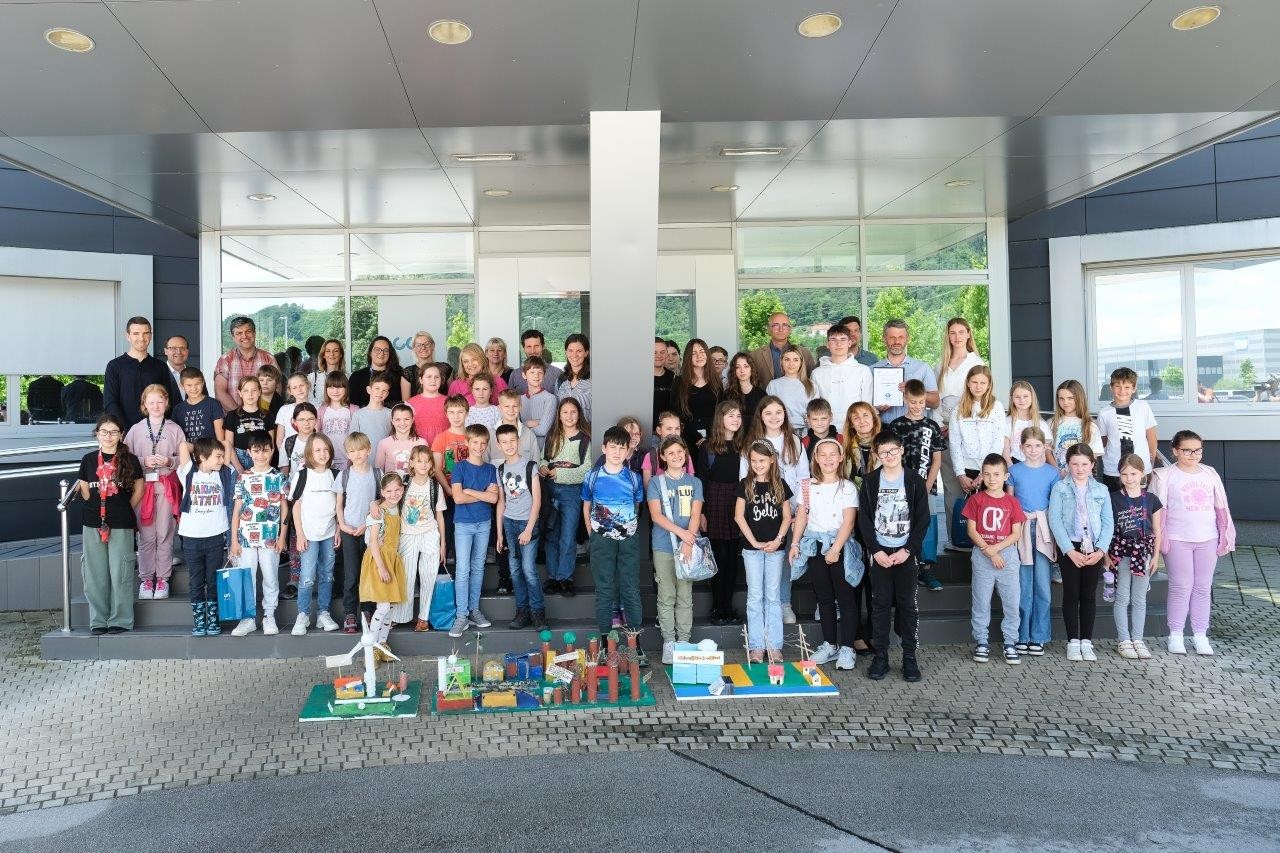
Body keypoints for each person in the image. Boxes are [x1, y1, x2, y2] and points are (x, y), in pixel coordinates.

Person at [1150, 430, 1236, 656]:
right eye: (1187, 450)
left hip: (1208, 538)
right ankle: (1176, 635)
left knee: (1203, 587)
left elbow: (1221, 506)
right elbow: (1155, 511)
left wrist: (1224, 534)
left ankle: (1200, 635)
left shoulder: (1210, 473)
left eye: (1197, 450)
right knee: (1181, 586)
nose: (1193, 455)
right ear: (1175, 451)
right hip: (1177, 538)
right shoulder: (1165, 476)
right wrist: (1158, 541)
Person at [857, 430, 930, 682]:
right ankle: (881, 657)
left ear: (901, 451)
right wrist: (875, 550)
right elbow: (864, 520)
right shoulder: (869, 481)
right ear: (876, 455)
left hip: (905, 553)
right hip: (880, 554)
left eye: (893, 451)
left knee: (907, 605)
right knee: (879, 605)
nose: (888, 456)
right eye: (883, 452)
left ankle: (910, 657)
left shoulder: (914, 481)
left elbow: (923, 519)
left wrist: (908, 549)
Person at [789, 437, 860, 671]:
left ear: (840, 458)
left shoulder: (847, 487)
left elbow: (849, 521)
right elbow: (802, 515)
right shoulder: (807, 486)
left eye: (833, 454)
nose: (828, 459)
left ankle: (848, 647)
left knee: (846, 598)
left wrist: (835, 549)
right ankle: (830, 644)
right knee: (824, 597)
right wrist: (795, 543)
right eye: (823, 455)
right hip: (815, 546)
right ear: (816, 459)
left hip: (840, 547)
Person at [741, 396, 808, 625]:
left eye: (778, 412)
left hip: (790, 511)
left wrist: (801, 510)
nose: (774, 417)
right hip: (760, 513)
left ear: (785, 415)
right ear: (760, 416)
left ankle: (783, 602)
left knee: (784, 559)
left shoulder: (794, 442)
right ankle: (761, 605)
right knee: (759, 560)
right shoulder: (751, 442)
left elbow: (804, 478)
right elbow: (744, 478)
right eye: (768, 413)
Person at [77, 414, 144, 635]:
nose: (108, 436)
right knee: (94, 574)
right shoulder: (88, 459)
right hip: (92, 522)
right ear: (97, 434)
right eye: (104, 431)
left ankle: (121, 620)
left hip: (121, 522)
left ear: (121, 435)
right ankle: (98, 620)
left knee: (121, 573)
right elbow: (85, 489)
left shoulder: (130, 460)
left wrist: (123, 508)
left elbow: (139, 490)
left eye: (114, 432)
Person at [1047, 443, 1114, 662]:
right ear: (1068, 464)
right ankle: (1073, 642)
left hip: (1093, 548)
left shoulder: (1101, 490)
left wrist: (1101, 550)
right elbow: (1055, 519)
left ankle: (1086, 641)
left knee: (1088, 595)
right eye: (1075, 464)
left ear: (1093, 464)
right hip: (1070, 547)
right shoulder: (1060, 488)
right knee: (1071, 593)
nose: (1080, 468)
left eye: (1085, 464)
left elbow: (1108, 522)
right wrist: (1068, 550)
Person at [123, 384, 185, 601]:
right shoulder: (135, 430)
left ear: (166, 403)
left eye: (160, 401)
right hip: (143, 487)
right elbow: (125, 458)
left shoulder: (175, 429)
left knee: (164, 533)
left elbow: (184, 460)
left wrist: (169, 461)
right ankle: (147, 578)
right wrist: (143, 461)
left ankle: (163, 579)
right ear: (144, 404)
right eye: (151, 402)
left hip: (166, 486)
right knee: (146, 535)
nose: (156, 406)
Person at [963, 453, 1026, 665]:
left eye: (997, 474)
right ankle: (982, 641)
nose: (992, 479)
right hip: (982, 556)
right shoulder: (976, 500)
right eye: (987, 474)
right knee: (981, 601)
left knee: (1012, 602)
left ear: (1006, 476)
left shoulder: (1012, 502)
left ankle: (1010, 642)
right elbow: (971, 530)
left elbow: (1016, 534)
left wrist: (995, 550)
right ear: (981, 475)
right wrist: (987, 550)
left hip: (1007, 557)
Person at [735, 440, 793, 664]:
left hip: (775, 550)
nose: (758, 464)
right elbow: (739, 516)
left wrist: (778, 540)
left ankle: (774, 645)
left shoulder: (780, 484)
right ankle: (757, 646)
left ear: (772, 460)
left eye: (762, 460)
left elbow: (787, 517)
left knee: (773, 596)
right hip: (752, 550)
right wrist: (754, 542)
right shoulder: (745, 484)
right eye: (754, 461)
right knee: (755, 596)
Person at [647, 435, 703, 664]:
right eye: (671, 453)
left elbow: (696, 514)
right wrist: (682, 535)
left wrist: (688, 543)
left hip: (687, 546)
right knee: (667, 594)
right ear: (662, 456)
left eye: (680, 452)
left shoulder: (695, 482)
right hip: (663, 546)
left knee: (685, 594)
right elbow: (656, 515)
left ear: (686, 454)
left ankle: (684, 641)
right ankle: (669, 642)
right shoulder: (655, 483)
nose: (676, 456)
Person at [890, 380, 947, 592]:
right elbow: (892, 457)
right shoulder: (896, 426)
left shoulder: (932, 426)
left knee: (928, 524)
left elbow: (937, 460)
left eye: (921, 402)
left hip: (927, 486)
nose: (917, 406)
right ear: (905, 400)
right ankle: (907, 565)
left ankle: (927, 568)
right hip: (901, 486)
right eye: (913, 402)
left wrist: (927, 485)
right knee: (902, 523)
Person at [228, 430, 286, 637]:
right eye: (256, 451)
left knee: (270, 577)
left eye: (265, 450)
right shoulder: (243, 477)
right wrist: (234, 540)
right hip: (245, 538)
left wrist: (282, 536)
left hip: (270, 537)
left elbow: (285, 509)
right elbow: (236, 511)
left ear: (272, 451)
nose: (261, 455)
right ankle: (248, 618)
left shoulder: (278, 477)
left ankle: (269, 615)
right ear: (249, 452)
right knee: (247, 577)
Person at [176, 437, 236, 638]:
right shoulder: (189, 472)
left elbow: (226, 444)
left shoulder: (222, 474)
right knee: (196, 580)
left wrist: (212, 450)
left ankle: (213, 618)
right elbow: (183, 446)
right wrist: (200, 448)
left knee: (213, 579)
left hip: (215, 537)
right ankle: (199, 620)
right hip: (191, 537)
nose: (221, 460)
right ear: (202, 457)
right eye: (217, 456)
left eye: (221, 457)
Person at [1008, 428, 1058, 657]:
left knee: (1042, 585)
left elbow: (1055, 505)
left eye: (1038, 445)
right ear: (1021, 447)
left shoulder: (1052, 473)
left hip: (1043, 529)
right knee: (1023, 584)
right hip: (1021, 528)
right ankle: (1021, 634)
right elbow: (1010, 502)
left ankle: (1039, 635)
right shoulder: (1014, 471)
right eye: (1028, 446)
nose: (1033, 450)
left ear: (1045, 447)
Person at [1107, 453, 1164, 660]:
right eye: (1124, 474)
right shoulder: (1113, 498)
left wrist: (1156, 556)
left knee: (1139, 599)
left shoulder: (1151, 499)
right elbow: (1106, 527)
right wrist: (1106, 557)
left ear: (1142, 474)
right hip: (1121, 553)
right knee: (1122, 597)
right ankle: (1124, 640)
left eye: (1133, 473)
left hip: (1143, 554)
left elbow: (1157, 530)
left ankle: (1138, 639)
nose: (1129, 478)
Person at [696, 401, 745, 624]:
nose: (735, 420)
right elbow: (701, 481)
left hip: (737, 501)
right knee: (718, 556)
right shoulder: (707, 447)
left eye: (738, 416)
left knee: (733, 557)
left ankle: (728, 606)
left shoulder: (744, 445)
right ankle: (717, 607)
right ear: (720, 418)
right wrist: (701, 512)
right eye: (730, 415)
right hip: (714, 500)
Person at [449, 425, 499, 637]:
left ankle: (474, 610)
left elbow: (494, 498)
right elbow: (458, 498)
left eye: (483, 443)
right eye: (475, 442)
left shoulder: (490, 469)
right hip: (463, 524)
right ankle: (461, 615)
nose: (479, 446)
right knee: (462, 569)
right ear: (467, 443)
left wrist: (469, 490)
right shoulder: (459, 467)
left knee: (478, 567)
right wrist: (481, 494)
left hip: (483, 523)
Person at [289, 434, 341, 636]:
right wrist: (300, 534)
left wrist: (338, 529)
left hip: (329, 532)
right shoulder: (303, 475)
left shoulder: (335, 475)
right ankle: (303, 614)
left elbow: (340, 506)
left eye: (326, 449)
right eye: (317, 450)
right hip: (309, 534)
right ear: (309, 453)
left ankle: (323, 613)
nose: (322, 454)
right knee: (307, 576)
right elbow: (296, 507)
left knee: (327, 574)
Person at [541, 397, 591, 596]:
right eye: (565, 412)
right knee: (551, 534)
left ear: (579, 414)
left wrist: (560, 473)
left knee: (568, 536)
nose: (569, 416)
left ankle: (565, 578)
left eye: (573, 412)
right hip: (551, 490)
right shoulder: (553, 436)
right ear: (559, 416)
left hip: (572, 492)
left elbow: (587, 469)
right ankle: (553, 577)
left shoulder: (585, 438)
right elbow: (543, 458)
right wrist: (543, 467)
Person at [496, 424, 544, 630]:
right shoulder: (500, 469)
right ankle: (522, 611)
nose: (509, 445)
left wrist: (529, 529)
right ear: (498, 445)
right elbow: (501, 502)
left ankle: (538, 612)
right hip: (509, 523)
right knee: (515, 570)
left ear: (518, 441)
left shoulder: (530, 466)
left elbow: (537, 502)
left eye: (512, 441)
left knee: (528, 569)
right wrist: (499, 533)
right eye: (504, 442)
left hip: (527, 523)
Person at [392, 446, 446, 628]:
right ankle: (400, 616)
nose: (423, 464)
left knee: (428, 576)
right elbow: (389, 502)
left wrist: (443, 543)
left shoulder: (435, 486)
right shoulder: (403, 483)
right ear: (412, 463)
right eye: (419, 461)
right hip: (407, 534)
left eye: (427, 461)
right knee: (406, 577)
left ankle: (423, 618)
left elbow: (439, 516)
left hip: (430, 533)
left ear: (431, 464)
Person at [334, 433, 381, 634]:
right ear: (347, 454)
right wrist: (342, 525)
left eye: (361, 449)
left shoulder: (377, 474)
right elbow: (338, 505)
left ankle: (367, 610)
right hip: (349, 530)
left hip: (370, 531)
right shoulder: (343, 476)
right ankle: (350, 613)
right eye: (352, 451)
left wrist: (367, 524)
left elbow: (381, 501)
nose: (357, 454)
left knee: (369, 573)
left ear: (368, 449)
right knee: (352, 574)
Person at [360, 473, 409, 653]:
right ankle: (371, 646)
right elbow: (373, 541)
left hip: (392, 559)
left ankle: (382, 645)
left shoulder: (399, 508)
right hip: (379, 560)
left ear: (402, 490)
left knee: (391, 607)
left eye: (397, 490)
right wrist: (381, 568)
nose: (393, 494)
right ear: (382, 492)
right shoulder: (379, 511)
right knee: (383, 606)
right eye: (389, 491)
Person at [948, 365, 1007, 502]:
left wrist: (983, 474)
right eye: (974, 382)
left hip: (992, 470)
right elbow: (955, 443)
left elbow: (998, 441)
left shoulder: (996, 407)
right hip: (968, 469)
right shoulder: (958, 410)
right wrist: (960, 474)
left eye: (983, 383)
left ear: (989, 385)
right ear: (968, 383)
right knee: (972, 510)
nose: (978, 386)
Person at [104, 316, 176, 428]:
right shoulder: (115, 366)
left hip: (156, 431)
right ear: (128, 336)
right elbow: (110, 402)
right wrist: (124, 429)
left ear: (150, 335)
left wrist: (160, 428)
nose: (141, 338)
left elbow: (167, 399)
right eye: (136, 333)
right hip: (124, 431)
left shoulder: (160, 366)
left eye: (146, 333)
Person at [1098, 367, 1159, 490]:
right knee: (1116, 500)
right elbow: (1102, 442)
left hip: (1141, 468)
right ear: (1111, 387)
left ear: (1134, 388)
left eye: (1127, 387)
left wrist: (1150, 463)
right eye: (1118, 386)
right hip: (1113, 469)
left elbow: (1151, 437)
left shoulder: (1143, 407)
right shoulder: (1104, 413)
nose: (1122, 391)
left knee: (1141, 500)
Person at [870, 319, 939, 425]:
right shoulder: (872, 370)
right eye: (892, 337)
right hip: (884, 429)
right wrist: (876, 409)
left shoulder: (923, 368)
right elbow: (864, 406)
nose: (896, 342)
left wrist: (913, 390)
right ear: (884, 339)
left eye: (901, 337)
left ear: (907, 339)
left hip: (915, 429)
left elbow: (935, 403)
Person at [812, 323, 873, 426]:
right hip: (827, 429)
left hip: (855, 427)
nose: (838, 344)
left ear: (849, 343)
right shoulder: (817, 373)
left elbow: (866, 405)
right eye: (833, 340)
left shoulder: (863, 370)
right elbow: (815, 406)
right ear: (827, 344)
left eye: (843, 339)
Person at [214, 316, 277, 414]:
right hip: (233, 419)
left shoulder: (268, 358)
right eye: (239, 333)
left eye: (248, 331)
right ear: (233, 337)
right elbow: (220, 392)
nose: (244, 336)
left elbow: (277, 388)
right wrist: (240, 415)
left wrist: (260, 416)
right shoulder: (225, 360)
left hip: (264, 418)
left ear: (254, 333)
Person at [671, 338, 722, 449]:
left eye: (702, 352)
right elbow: (676, 414)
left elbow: (721, 412)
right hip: (687, 438)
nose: (699, 356)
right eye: (694, 353)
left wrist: (710, 436)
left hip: (713, 438)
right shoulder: (679, 382)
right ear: (688, 357)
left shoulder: (716, 382)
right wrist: (697, 437)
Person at [936, 318, 985, 428]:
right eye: (953, 333)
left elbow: (981, 397)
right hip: (942, 424)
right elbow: (935, 397)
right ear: (948, 336)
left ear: (968, 334)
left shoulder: (976, 363)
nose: (957, 337)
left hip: (968, 422)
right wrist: (939, 424)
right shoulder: (940, 366)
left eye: (961, 332)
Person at [222, 376, 275, 474]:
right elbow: (229, 444)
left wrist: (264, 466)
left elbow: (271, 445)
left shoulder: (267, 415)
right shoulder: (232, 415)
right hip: (238, 460)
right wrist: (239, 469)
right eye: (246, 391)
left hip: (260, 457)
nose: (250, 394)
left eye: (254, 390)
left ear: (259, 392)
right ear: (240, 393)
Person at [1050, 379, 1103, 471]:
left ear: (1079, 398)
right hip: (1058, 475)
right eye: (1061, 398)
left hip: (1081, 476)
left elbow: (1093, 457)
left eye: (1070, 398)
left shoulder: (1090, 426)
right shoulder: (1052, 423)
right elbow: (1047, 451)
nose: (1065, 402)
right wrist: (1058, 472)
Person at [766, 344, 819, 434]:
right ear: (781, 362)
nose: (791, 364)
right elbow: (769, 411)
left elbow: (816, 412)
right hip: (782, 431)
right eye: (787, 359)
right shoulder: (773, 385)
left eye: (795, 360)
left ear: (801, 362)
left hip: (807, 432)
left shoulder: (812, 385)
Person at [749, 312, 816, 382]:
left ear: (790, 329)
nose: (781, 329)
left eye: (785, 325)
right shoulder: (755, 355)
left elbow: (812, 381)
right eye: (776, 325)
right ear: (768, 329)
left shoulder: (805, 354)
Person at [173, 368, 224, 450]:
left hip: (211, 450)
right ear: (181, 386)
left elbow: (220, 437)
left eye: (197, 384)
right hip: (190, 452)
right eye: (189, 385)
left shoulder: (213, 404)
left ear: (203, 383)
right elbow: (175, 436)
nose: (194, 388)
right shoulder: (178, 409)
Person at [317, 373, 357, 472]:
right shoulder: (321, 410)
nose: (335, 391)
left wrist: (352, 459)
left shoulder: (353, 410)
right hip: (327, 461)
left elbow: (357, 438)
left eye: (339, 387)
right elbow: (318, 436)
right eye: (331, 387)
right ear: (326, 389)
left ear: (346, 389)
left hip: (349, 461)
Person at [377, 403, 426, 480]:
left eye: (406, 419)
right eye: (397, 419)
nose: (402, 423)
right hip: (392, 487)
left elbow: (426, 468)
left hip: (415, 486)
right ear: (392, 421)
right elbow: (378, 472)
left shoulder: (421, 443)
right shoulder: (384, 444)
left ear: (412, 420)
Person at [349, 336, 403, 407]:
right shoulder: (356, 377)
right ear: (370, 352)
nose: (381, 353)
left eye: (385, 350)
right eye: (377, 350)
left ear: (390, 354)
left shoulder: (399, 376)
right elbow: (352, 404)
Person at [1005, 381, 1050, 464]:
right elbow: (1005, 455)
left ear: (1032, 397)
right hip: (1013, 464)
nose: (1022, 400)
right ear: (1012, 399)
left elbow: (1043, 455)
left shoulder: (1042, 424)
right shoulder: (1006, 422)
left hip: (1036, 466)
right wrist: (1013, 470)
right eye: (1017, 397)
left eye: (1025, 396)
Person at [490, 389, 540, 463]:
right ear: (499, 408)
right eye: (507, 406)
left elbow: (536, 462)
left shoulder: (529, 434)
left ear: (520, 407)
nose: (511, 410)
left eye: (515, 406)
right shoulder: (490, 435)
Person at [506, 329, 563, 394]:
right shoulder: (515, 374)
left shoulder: (557, 374)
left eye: (536, 346)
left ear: (543, 346)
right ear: (524, 348)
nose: (533, 351)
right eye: (529, 347)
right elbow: (509, 398)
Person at [518, 356, 557, 450]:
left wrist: (523, 425)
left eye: (540, 372)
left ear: (544, 375)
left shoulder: (550, 399)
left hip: (542, 448)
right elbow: (515, 428)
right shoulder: (519, 399)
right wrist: (531, 423)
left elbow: (543, 430)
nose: (536, 376)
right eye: (532, 372)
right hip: (522, 448)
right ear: (524, 375)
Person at [407, 363, 448, 444]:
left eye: (437, 377)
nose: (433, 380)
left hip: (444, 446)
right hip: (418, 448)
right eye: (429, 377)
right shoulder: (410, 403)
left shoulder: (449, 402)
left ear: (441, 380)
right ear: (421, 380)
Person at [401, 331, 450, 400]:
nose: (423, 347)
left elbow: (452, 399)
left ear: (433, 346)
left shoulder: (445, 368)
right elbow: (406, 403)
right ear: (414, 348)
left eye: (427, 344)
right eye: (419, 345)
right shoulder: (408, 373)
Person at [556, 334, 593, 424]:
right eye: (570, 351)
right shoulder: (560, 380)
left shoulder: (594, 380)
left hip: (588, 431)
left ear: (586, 353)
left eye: (579, 351)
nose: (574, 355)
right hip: (564, 432)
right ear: (566, 352)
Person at [349, 374, 393, 447]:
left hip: (385, 453)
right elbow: (353, 440)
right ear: (369, 390)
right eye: (377, 388)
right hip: (364, 454)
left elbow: (394, 437)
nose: (380, 393)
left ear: (387, 394)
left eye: (384, 390)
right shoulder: (358, 414)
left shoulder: (391, 413)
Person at [274, 373, 310, 462]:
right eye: (294, 388)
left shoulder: (317, 408)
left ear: (308, 385)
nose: (299, 390)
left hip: (311, 456)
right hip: (289, 456)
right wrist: (284, 461)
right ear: (290, 391)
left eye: (301, 385)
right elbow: (279, 440)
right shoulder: (284, 410)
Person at [724, 352, 766, 425]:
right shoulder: (727, 394)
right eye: (738, 367)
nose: (742, 370)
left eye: (746, 366)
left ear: (751, 369)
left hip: (756, 431)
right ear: (734, 370)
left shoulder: (761, 394)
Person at [306, 339, 345, 406]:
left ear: (341, 354)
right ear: (323, 355)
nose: (332, 354)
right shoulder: (312, 378)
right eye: (328, 351)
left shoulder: (348, 377)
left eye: (336, 351)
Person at [652, 337, 676, 430]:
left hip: (668, 430)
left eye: (662, 352)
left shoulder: (673, 377)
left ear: (666, 354)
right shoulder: (641, 377)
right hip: (645, 429)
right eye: (654, 352)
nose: (659, 355)